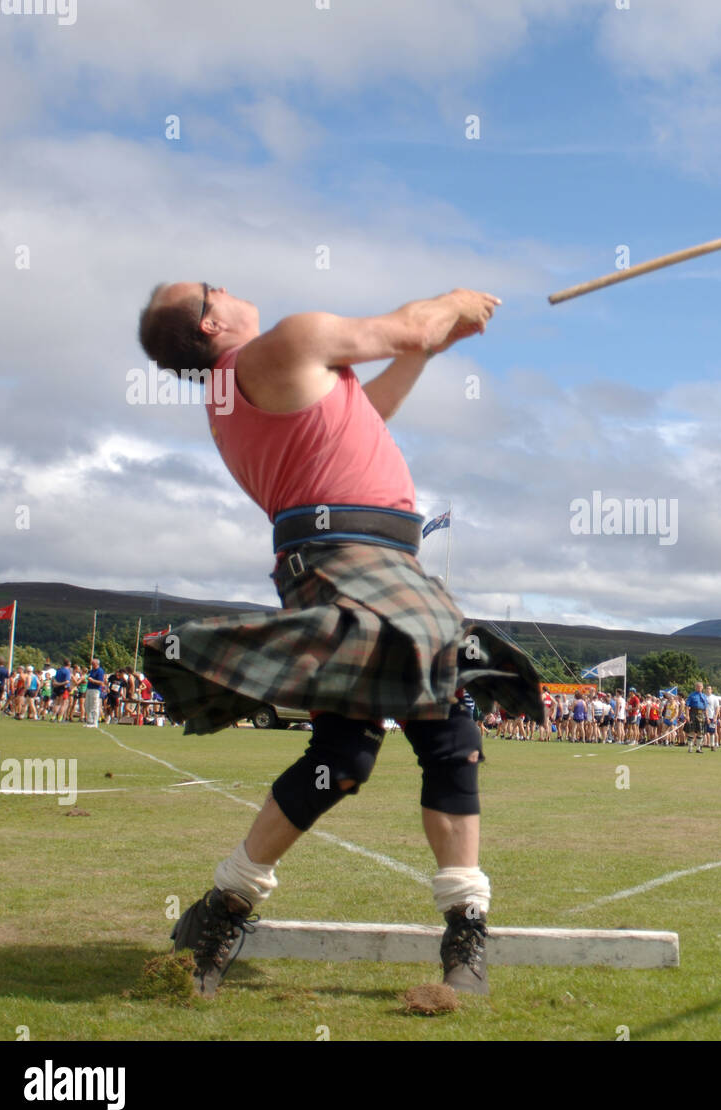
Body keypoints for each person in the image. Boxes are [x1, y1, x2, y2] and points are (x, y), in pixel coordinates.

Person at [137, 280, 541, 998]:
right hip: (353, 561)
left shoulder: (241, 392)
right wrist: (453, 302)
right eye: (213, 287)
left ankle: (222, 908)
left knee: (346, 752)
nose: (229, 287)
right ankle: (464, 922)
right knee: (445, 731)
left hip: (362, 562)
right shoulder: (288, 341)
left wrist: (428, 347)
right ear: (208, 319)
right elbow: (408, 325)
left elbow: (366, 417)